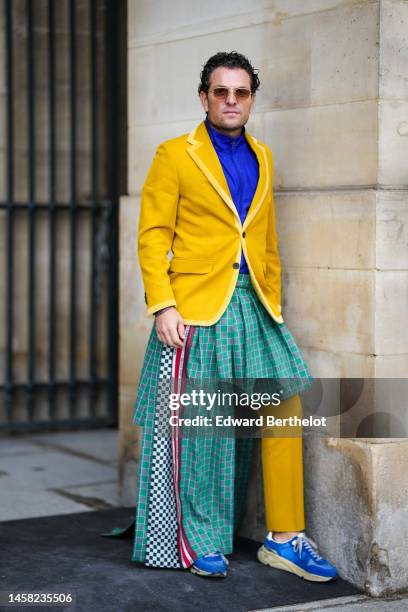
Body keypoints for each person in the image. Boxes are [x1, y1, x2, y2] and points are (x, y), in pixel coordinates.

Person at [105, 51, 338, 582]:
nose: (231, 100)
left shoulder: (264, 155)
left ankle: (284, 538)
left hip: (254, 303)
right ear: (204, 96)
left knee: (284, 403)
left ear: (252, 97)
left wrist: (273, 301)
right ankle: (205, 540)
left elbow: (266, 239)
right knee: (206, 425)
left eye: (241, 92)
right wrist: (163, 304)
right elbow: (152, 237)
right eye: (220, 91)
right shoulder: (174, 154)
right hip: (195, 308)